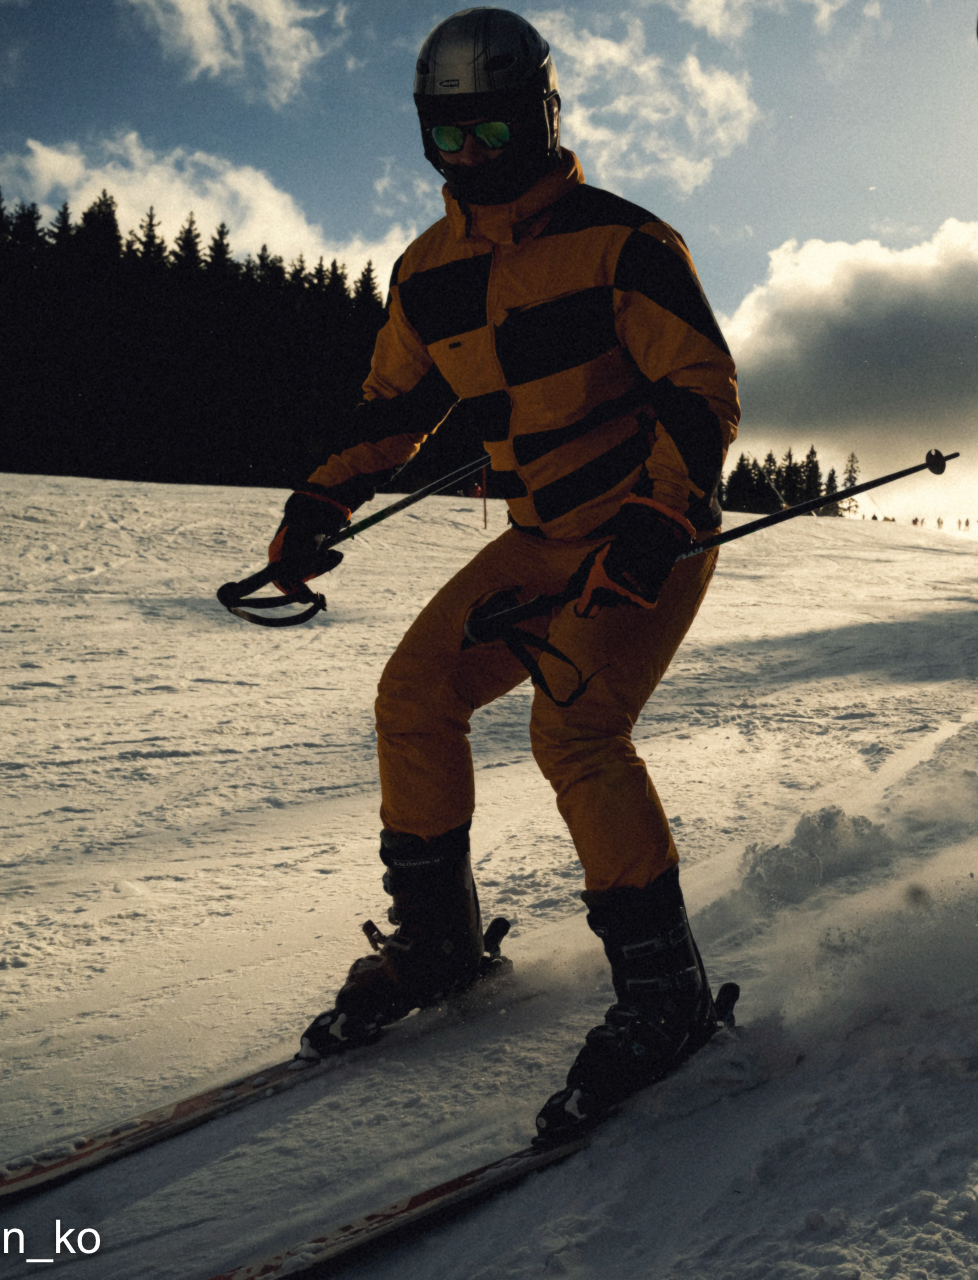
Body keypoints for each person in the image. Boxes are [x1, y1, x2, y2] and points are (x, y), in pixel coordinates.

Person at [263, 8, 740, 1146]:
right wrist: (321, 498)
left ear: (543, 118)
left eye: (494, 130)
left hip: (647, 531)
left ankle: (664, 993)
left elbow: (701, 388)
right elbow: (393, 406)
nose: (471, 156)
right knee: (413, 695)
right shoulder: (427, 274)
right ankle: (435, 943)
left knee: (574, 729)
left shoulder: (624, 243)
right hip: (538, 538)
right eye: (449, 136)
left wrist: (655, 519)